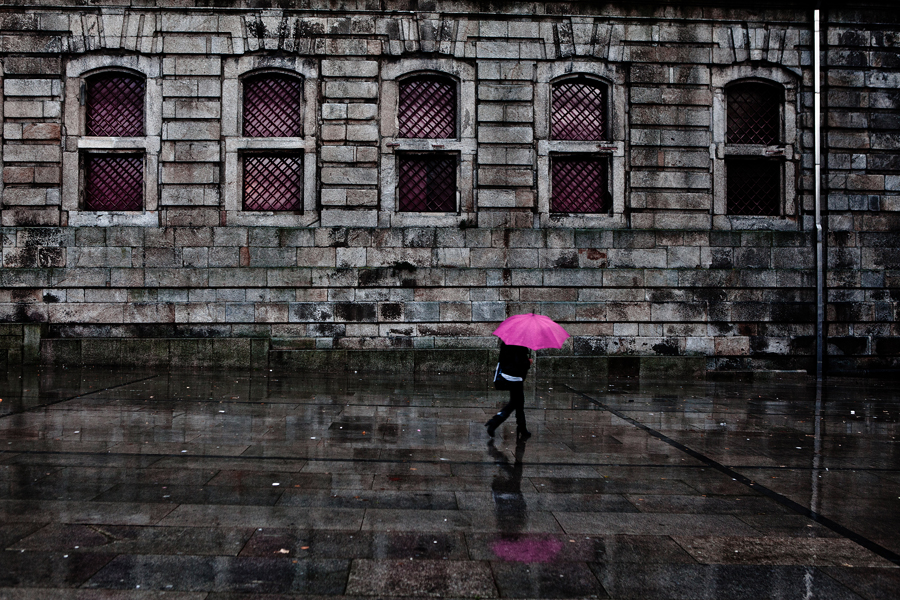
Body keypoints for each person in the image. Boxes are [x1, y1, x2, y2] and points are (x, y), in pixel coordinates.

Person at [486, 342, 532, 439]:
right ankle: (494, 422)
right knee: (515, 403)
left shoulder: (506, 342)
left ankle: (522, 427)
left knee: (518, 402)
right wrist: (528, 362)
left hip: (507, 374)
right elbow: (519, 362)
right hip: (515, 377)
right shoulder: (519, 344)